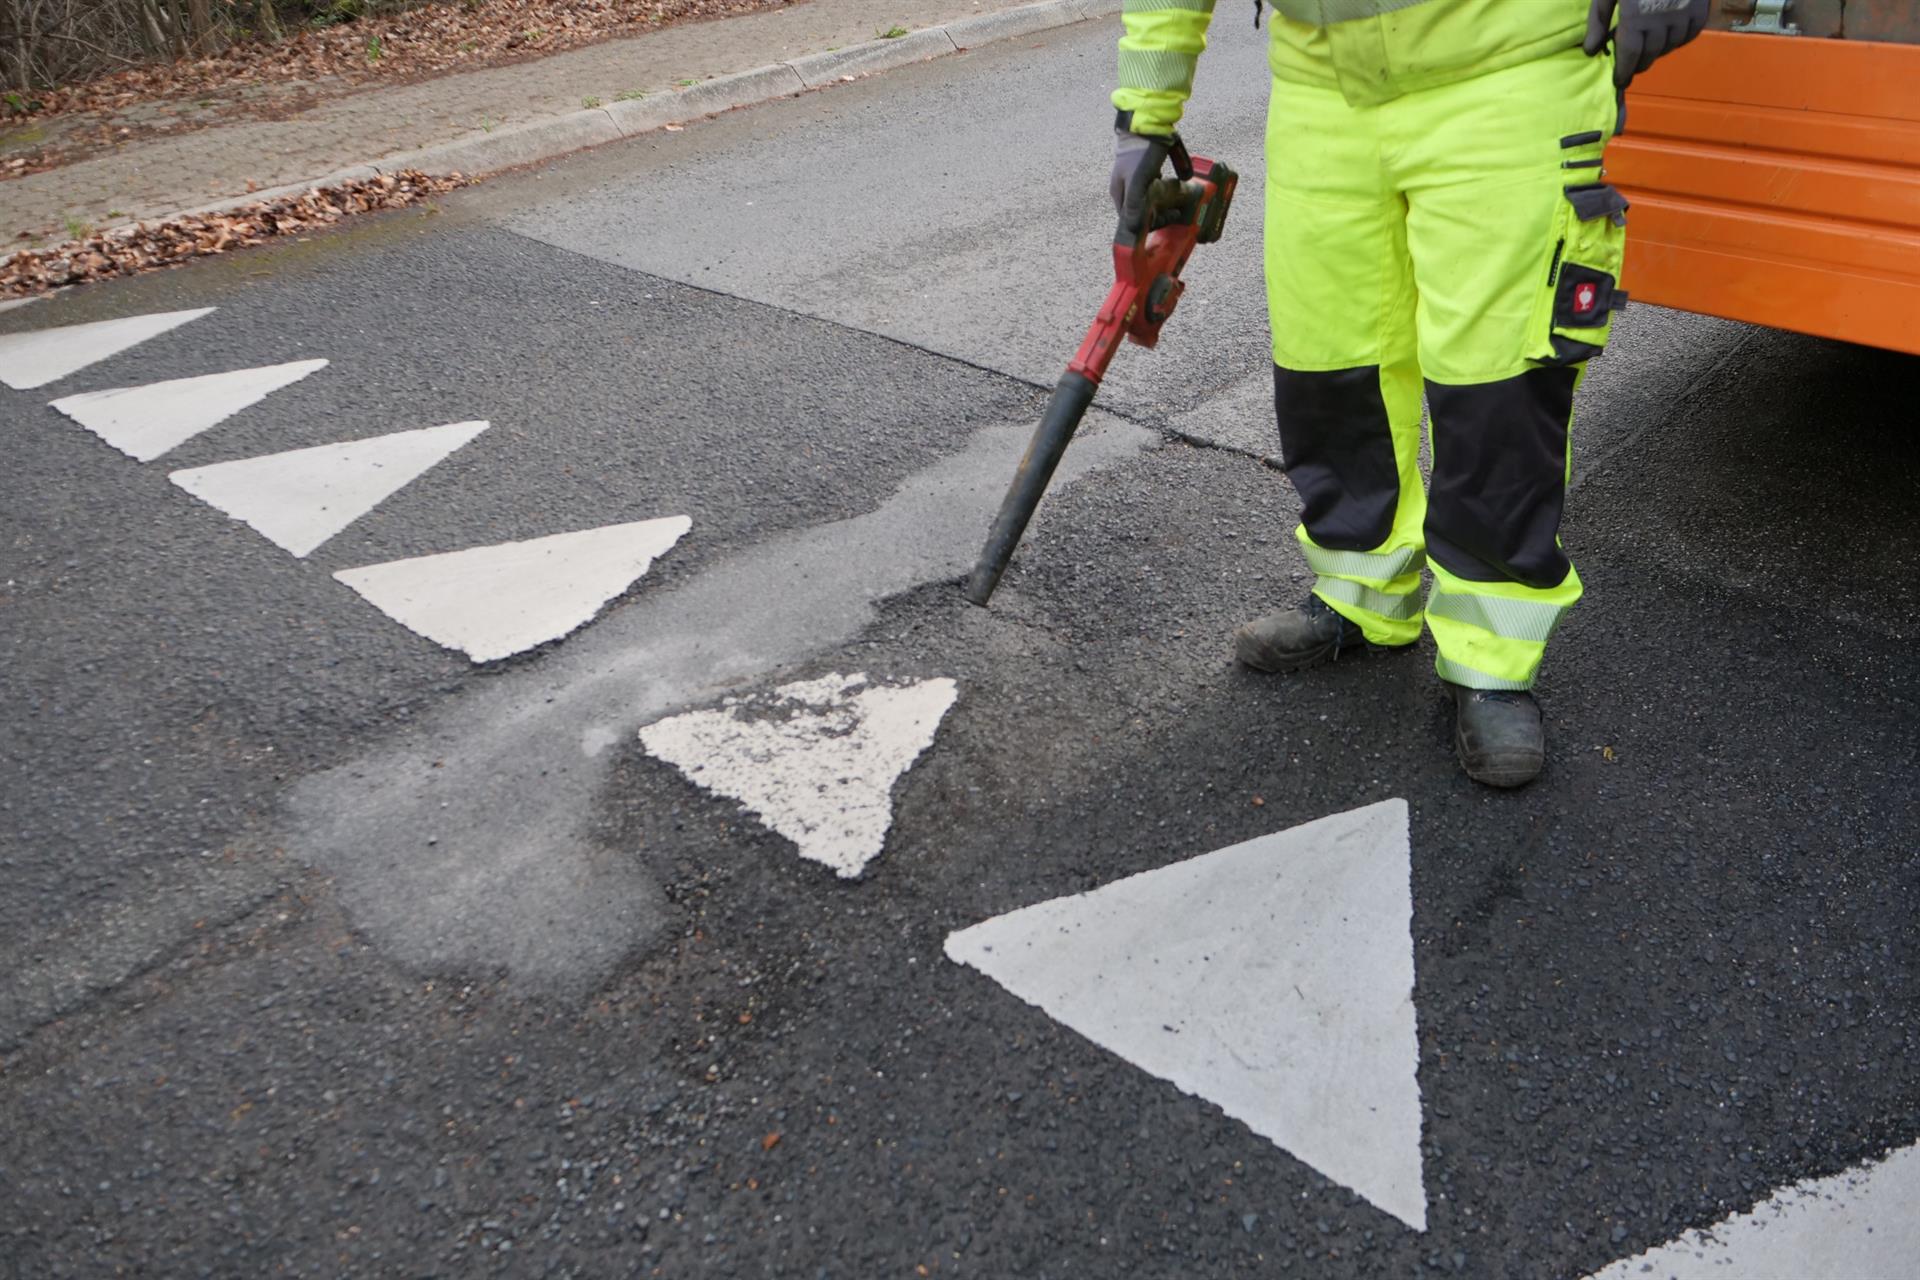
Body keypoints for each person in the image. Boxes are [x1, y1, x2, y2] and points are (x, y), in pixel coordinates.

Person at [1111, 0, 1706, 787]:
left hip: (1505, 69)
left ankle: (1490, 658)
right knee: (1330, 367)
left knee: (1499, 390)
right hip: (1322, 86)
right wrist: (1144, 112)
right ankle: (1362, 591)